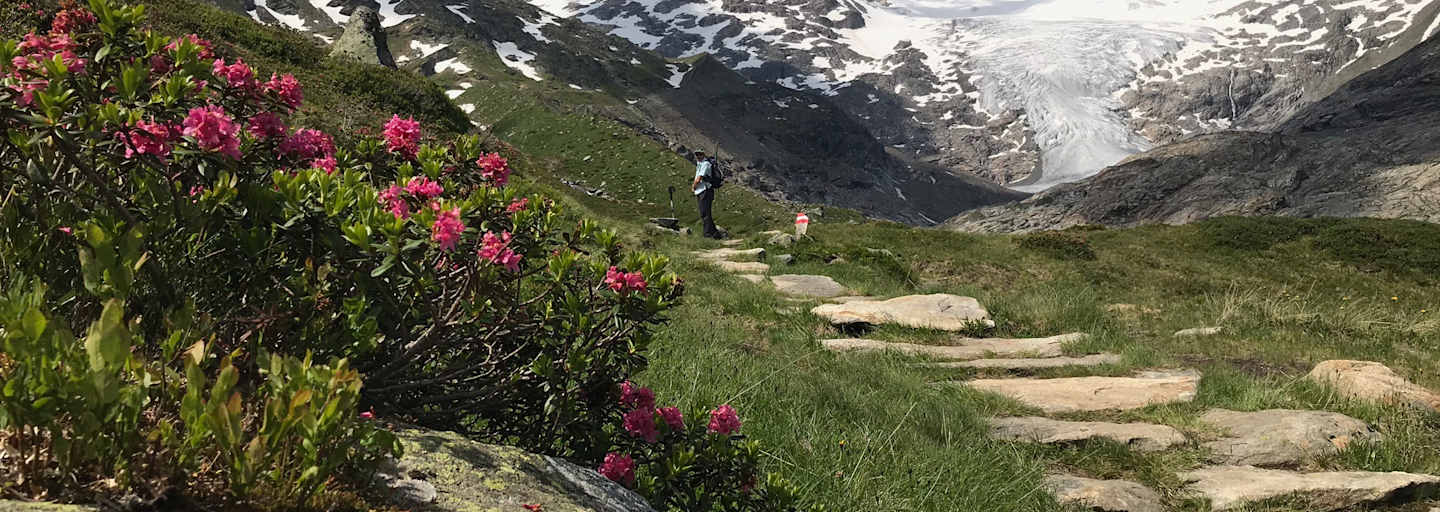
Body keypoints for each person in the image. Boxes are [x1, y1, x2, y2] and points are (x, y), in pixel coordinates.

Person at [690, 150, 722, 239]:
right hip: (701, 191)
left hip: (705, 190)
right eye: (696, 154)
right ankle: (715, 233)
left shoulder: (705, 164)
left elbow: (700, 177)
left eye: (700, 154)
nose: (698, 156)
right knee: (704, 213)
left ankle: (707, 234)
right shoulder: (700, 164)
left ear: (703, 155)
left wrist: (694, 186)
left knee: (705, 213)